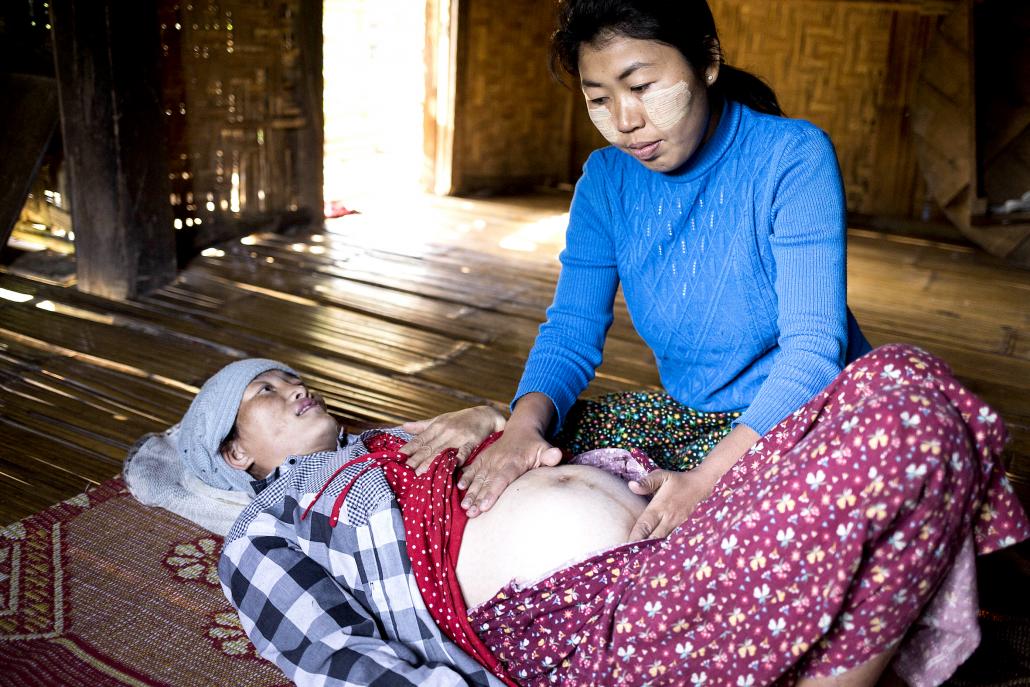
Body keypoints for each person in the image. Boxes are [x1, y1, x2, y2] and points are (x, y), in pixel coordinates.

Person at [180, 347, 1027, 687]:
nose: (292, 385)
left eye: (288, 373)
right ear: (233, 455)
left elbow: (532, 445)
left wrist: (491, 418)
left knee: (900, 378)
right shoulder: (264, 529)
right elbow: (338, 659)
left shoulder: (398, 441)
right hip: (577, 617)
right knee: (904, 434)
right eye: (262, 390)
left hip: (672, 525)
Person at [402, 0, 873, 543]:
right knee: (503, 466)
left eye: (643, 86)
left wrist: (708, 481)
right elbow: (572, 333)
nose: (625, 122)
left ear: (708, 61)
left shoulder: (791, 157)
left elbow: (814, 352)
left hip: (811, 416)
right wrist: (523, 427)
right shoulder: (606, 180)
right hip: (692, 415)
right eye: (599, 99)